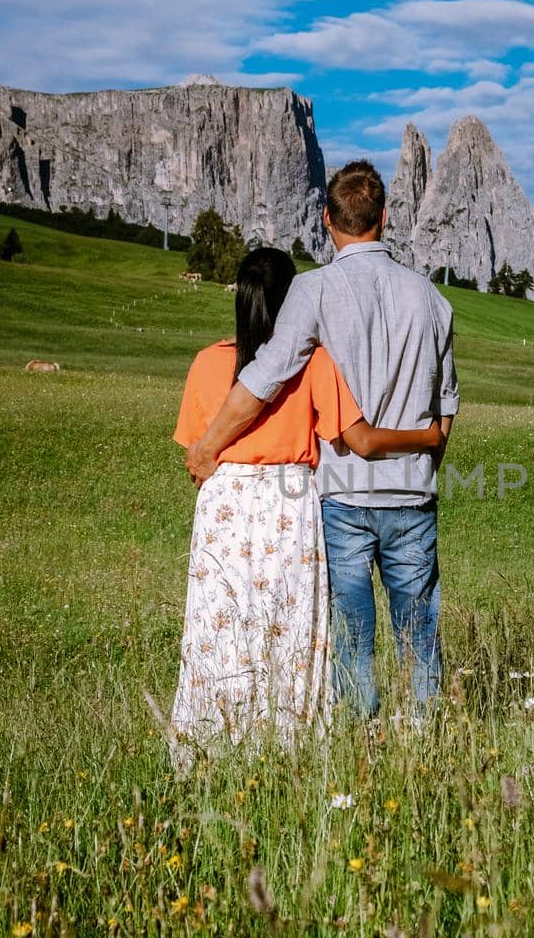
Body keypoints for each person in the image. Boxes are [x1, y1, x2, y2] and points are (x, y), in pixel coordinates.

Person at [185, 162, 459, 720]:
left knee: (353, 632)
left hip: (343, 499)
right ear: (384, 219)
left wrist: (209, 444)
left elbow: (264, 377)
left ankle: (360, 737)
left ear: (327, 222)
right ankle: (431, 738)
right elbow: (446, 404)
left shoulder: (311, 290)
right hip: (412, 496)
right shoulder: (432, 299)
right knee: (419, 631)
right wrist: (428, 455)